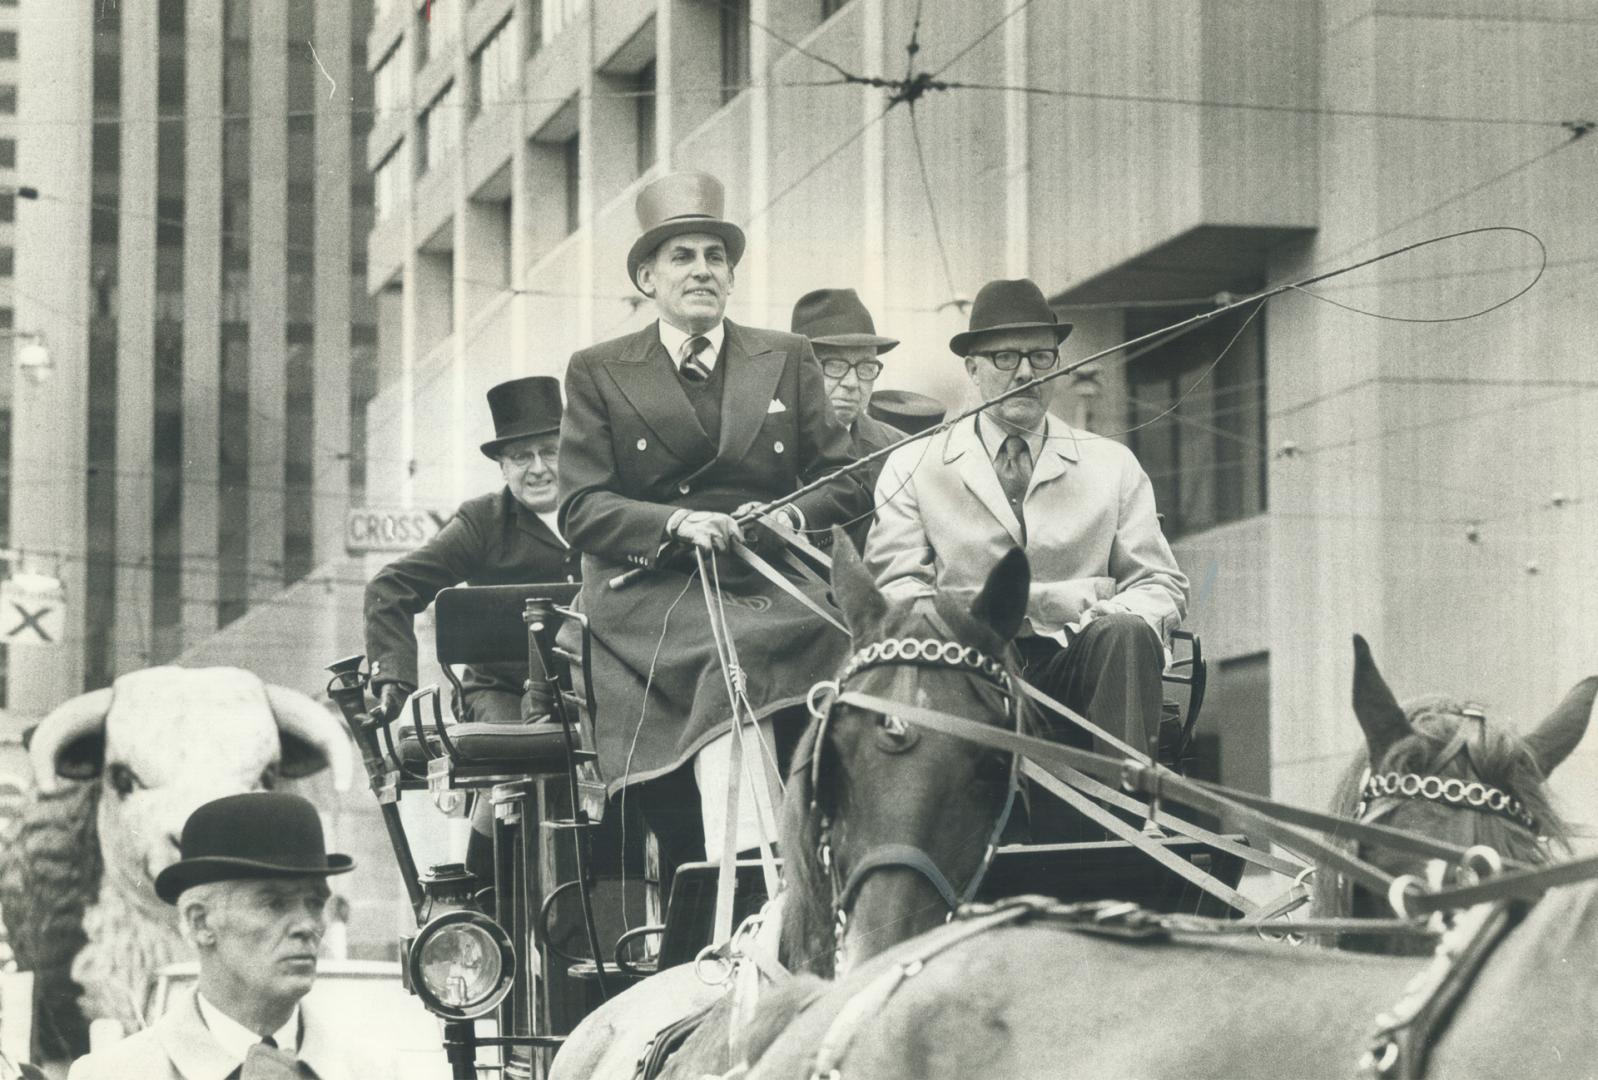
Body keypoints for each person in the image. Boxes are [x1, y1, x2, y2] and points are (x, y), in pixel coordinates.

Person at [558, 172, 869, 875]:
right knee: (734, 663)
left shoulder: (786, 356)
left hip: (770, 572)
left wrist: (789, 512)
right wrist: (675, 525)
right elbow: (581, 509)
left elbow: (845, 479)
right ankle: (753, 875)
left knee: (864, 650)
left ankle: (856, 854)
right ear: (647, 276)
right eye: (681, 256)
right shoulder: (598, 370)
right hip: (653, 591)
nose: (702, 269)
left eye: (715, 256)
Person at [864, 278, 1189, 837]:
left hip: (1076, 660)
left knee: (1129, 634)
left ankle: (1131, 817)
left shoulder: (1111, 465)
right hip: (971, 666)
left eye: (1041, 356)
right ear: (971, 368)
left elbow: (1160, 582)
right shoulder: (915, 465)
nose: (1025, 372)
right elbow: (897, 587)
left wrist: (1105, 613)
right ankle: (945, 827)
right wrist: (976, 624)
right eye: (1005, 357)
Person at [67, 792, 376, 1080]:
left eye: (315, 902)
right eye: (274, 903)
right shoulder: (112, 1075)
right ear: (200, 922)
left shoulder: (370, 1072)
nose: (307, 925)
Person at [363, 374, 578, 728]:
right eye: (522, 457)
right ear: (503, 466)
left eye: (549, 452)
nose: (538, 469)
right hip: (502, 693)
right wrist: (393, 680)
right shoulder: (482, 523)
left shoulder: (603, 510)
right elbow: (391, 586)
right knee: (517, 758)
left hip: (596, 689)